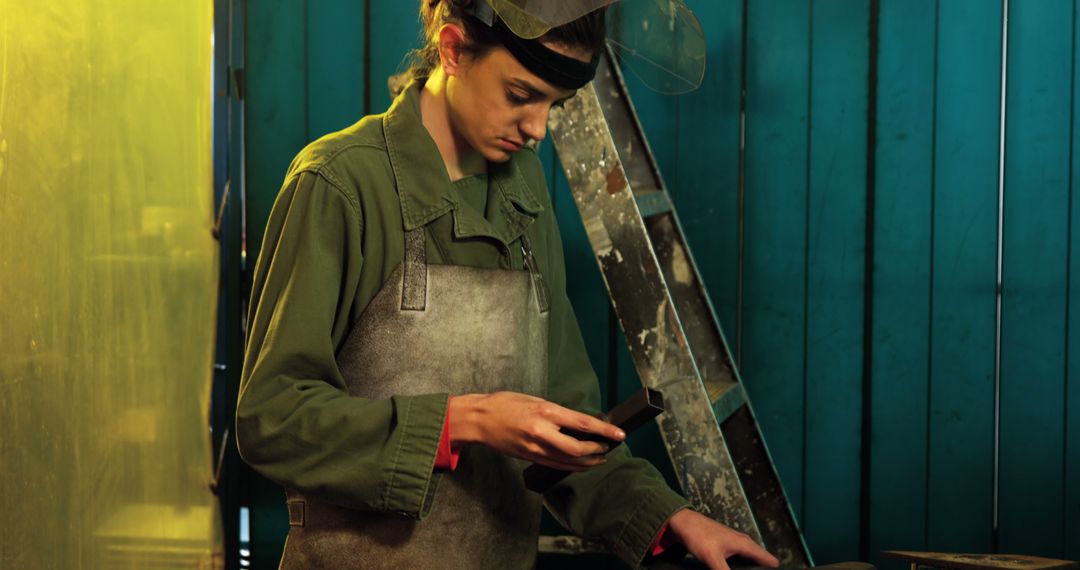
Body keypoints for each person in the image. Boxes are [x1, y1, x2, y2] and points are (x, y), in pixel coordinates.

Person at [235, 1, 782, 568]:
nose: (538, 129)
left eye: (556, 105)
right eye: (521, 96)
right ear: (452, 49)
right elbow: (272, 419)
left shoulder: (524, 195)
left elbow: (564, 421)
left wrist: (670, 518)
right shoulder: (340, 183)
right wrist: (465, 421)